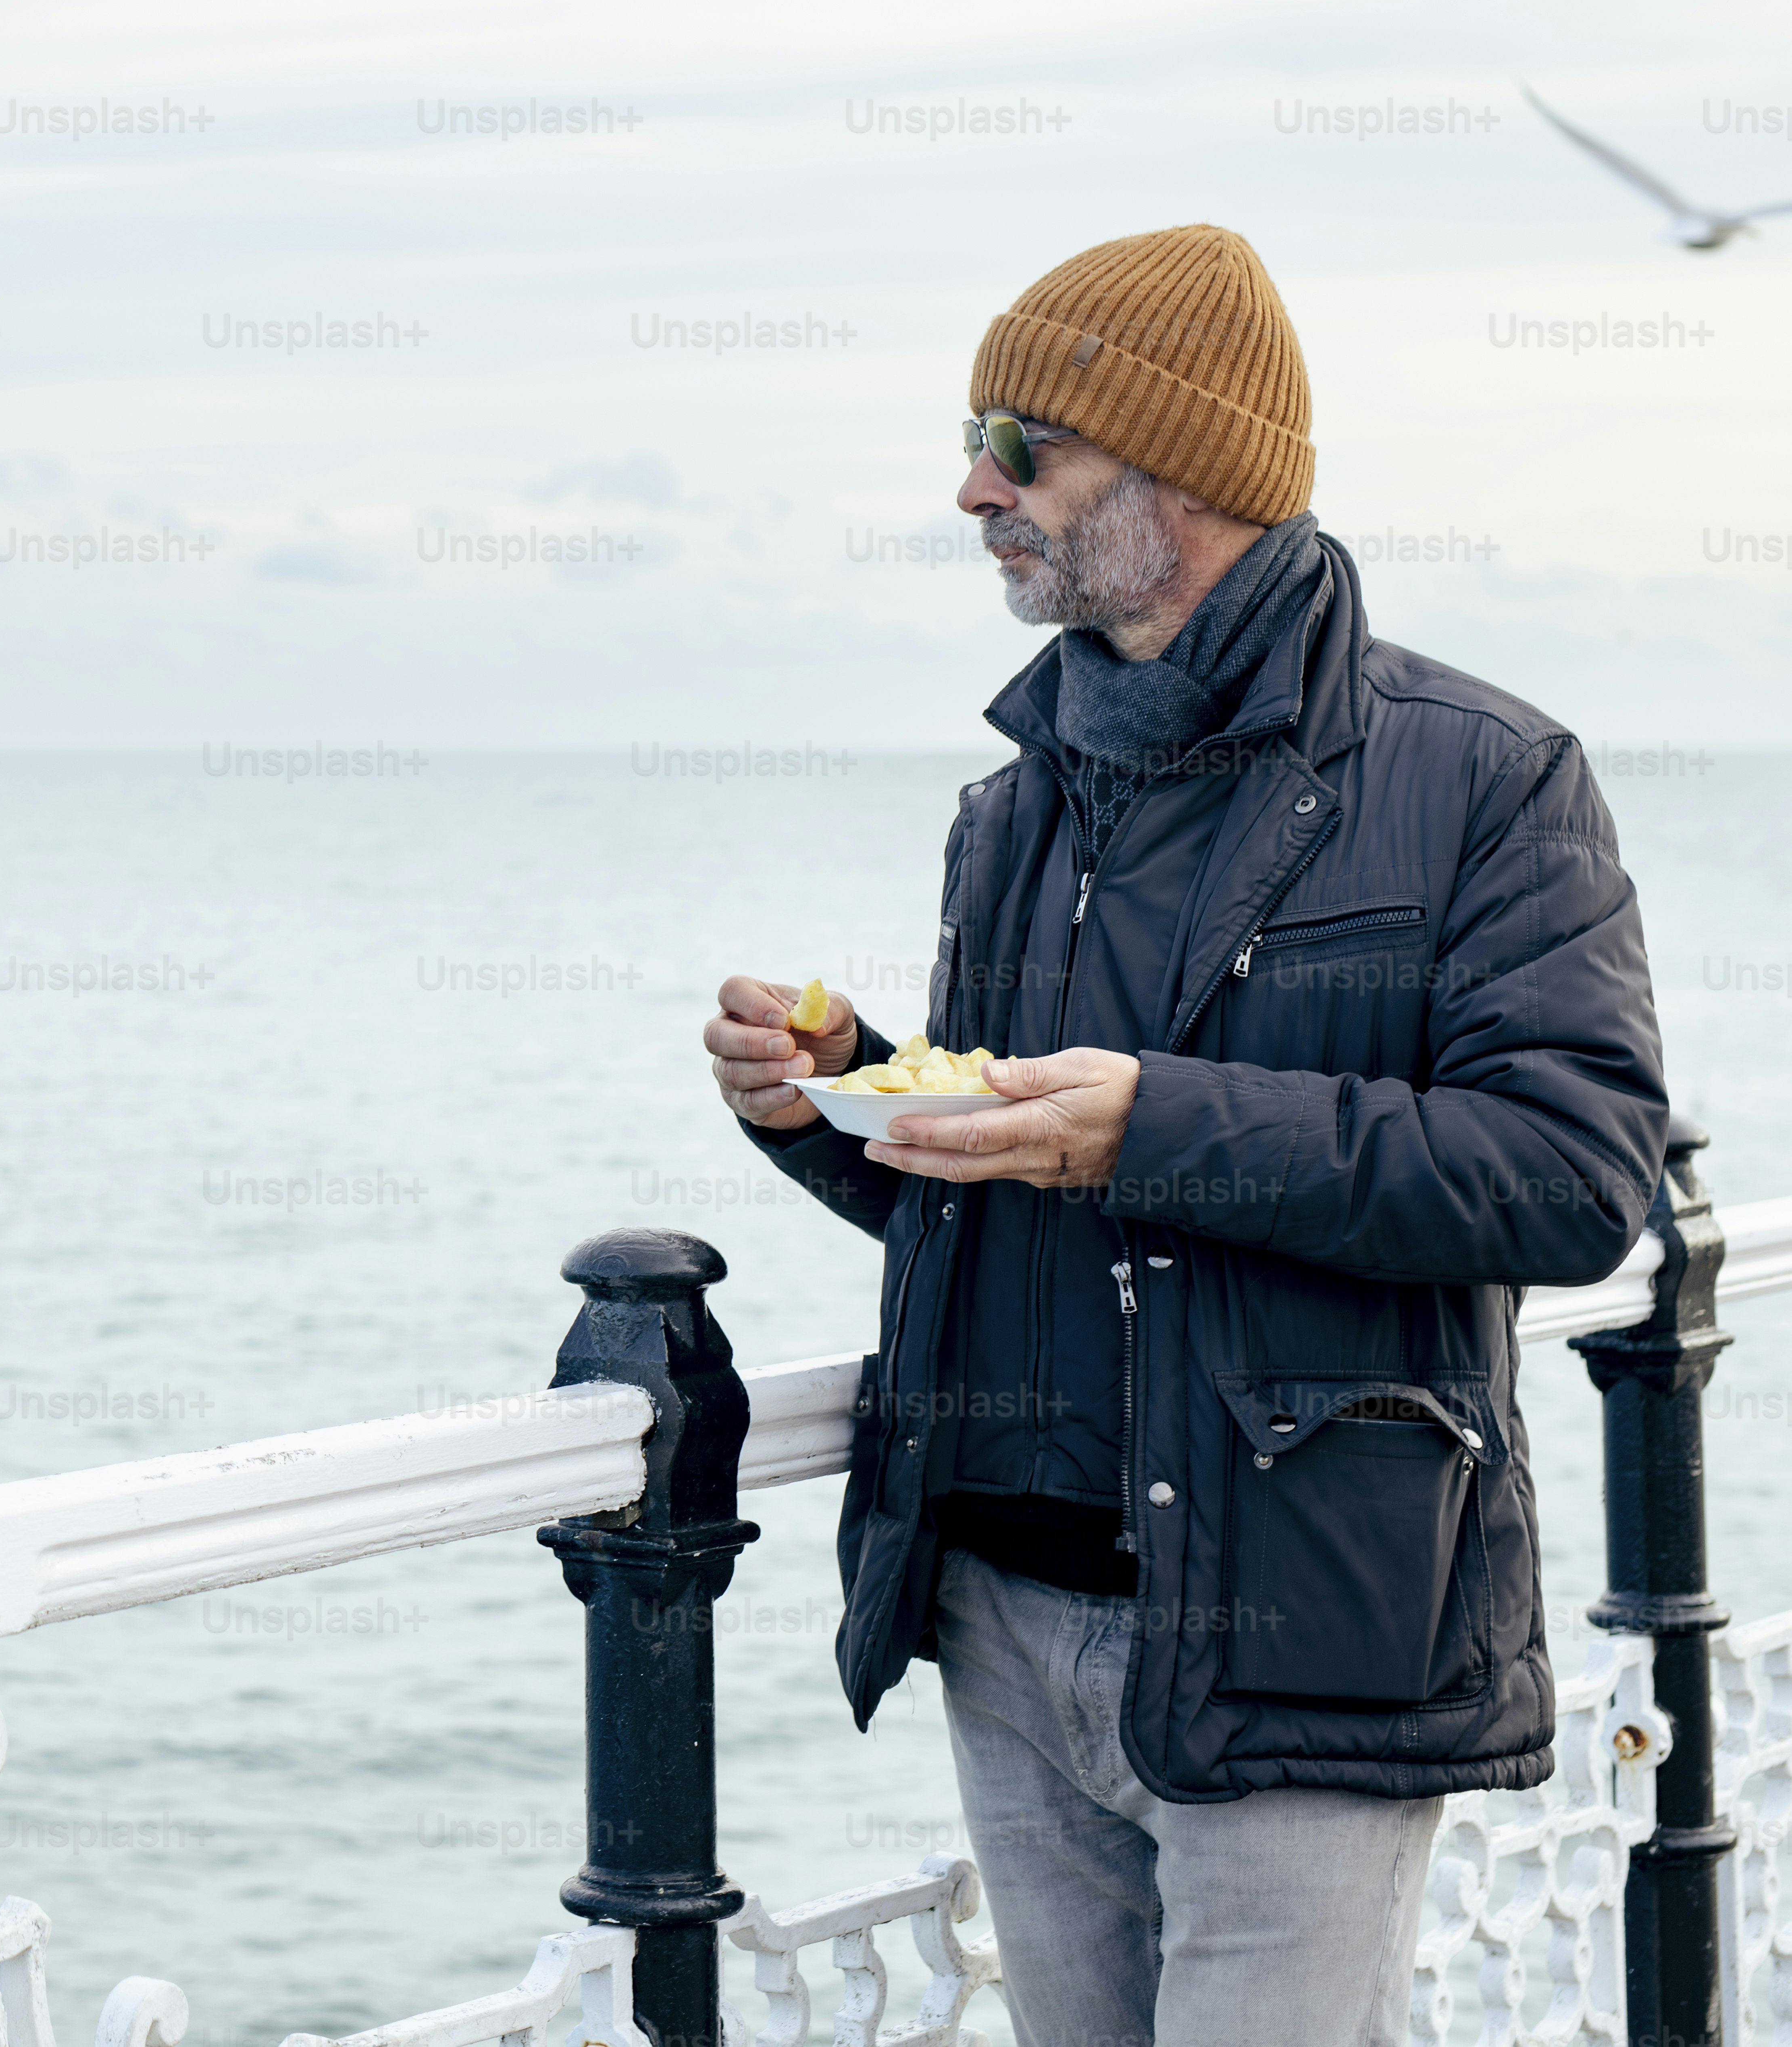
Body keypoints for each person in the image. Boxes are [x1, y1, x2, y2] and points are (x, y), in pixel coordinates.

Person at [704, 225, 1668, 2047]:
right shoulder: (1012, 804)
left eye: (1021, 439)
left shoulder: (1480, 774)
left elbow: (1569, 1172)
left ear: (1183, 468)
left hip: (1303, 1618)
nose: (972, 485)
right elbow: (1022, 1187)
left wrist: (1155, 1124)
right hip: (999, 1615)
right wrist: (842, 1099)